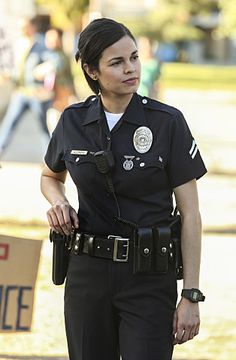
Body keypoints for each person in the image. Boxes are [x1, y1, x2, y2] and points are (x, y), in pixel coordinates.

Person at [41, 18, 207, 360]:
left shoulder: (167, 122)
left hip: (148, 277)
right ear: (91, 70)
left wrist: (190, 294)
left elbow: (191, 214)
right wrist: (58, 202)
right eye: (116, 62)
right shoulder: (72, 121)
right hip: (87, 275)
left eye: (133, 57)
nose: (130, 68)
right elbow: (49, 176)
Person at [0, 16, 51, 159]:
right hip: (20, 93)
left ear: (31, 28)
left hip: (36, 93)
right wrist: (8, 75)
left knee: (43, 128)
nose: (21, 30)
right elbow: (14, 66)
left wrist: (45, 68)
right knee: (9, 124)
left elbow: (54, 60)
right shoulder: (18, 45)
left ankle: (50, 160)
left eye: (24, 26)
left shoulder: (40, 45)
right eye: (19, 27)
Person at [34, 27, 77, 134]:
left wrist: (38, 70)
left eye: (54, 38)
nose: (51, 40)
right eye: (49, 38)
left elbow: (43, 71)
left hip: (62, 103)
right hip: (54, 103)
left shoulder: (59, 57)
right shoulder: (47, 55)